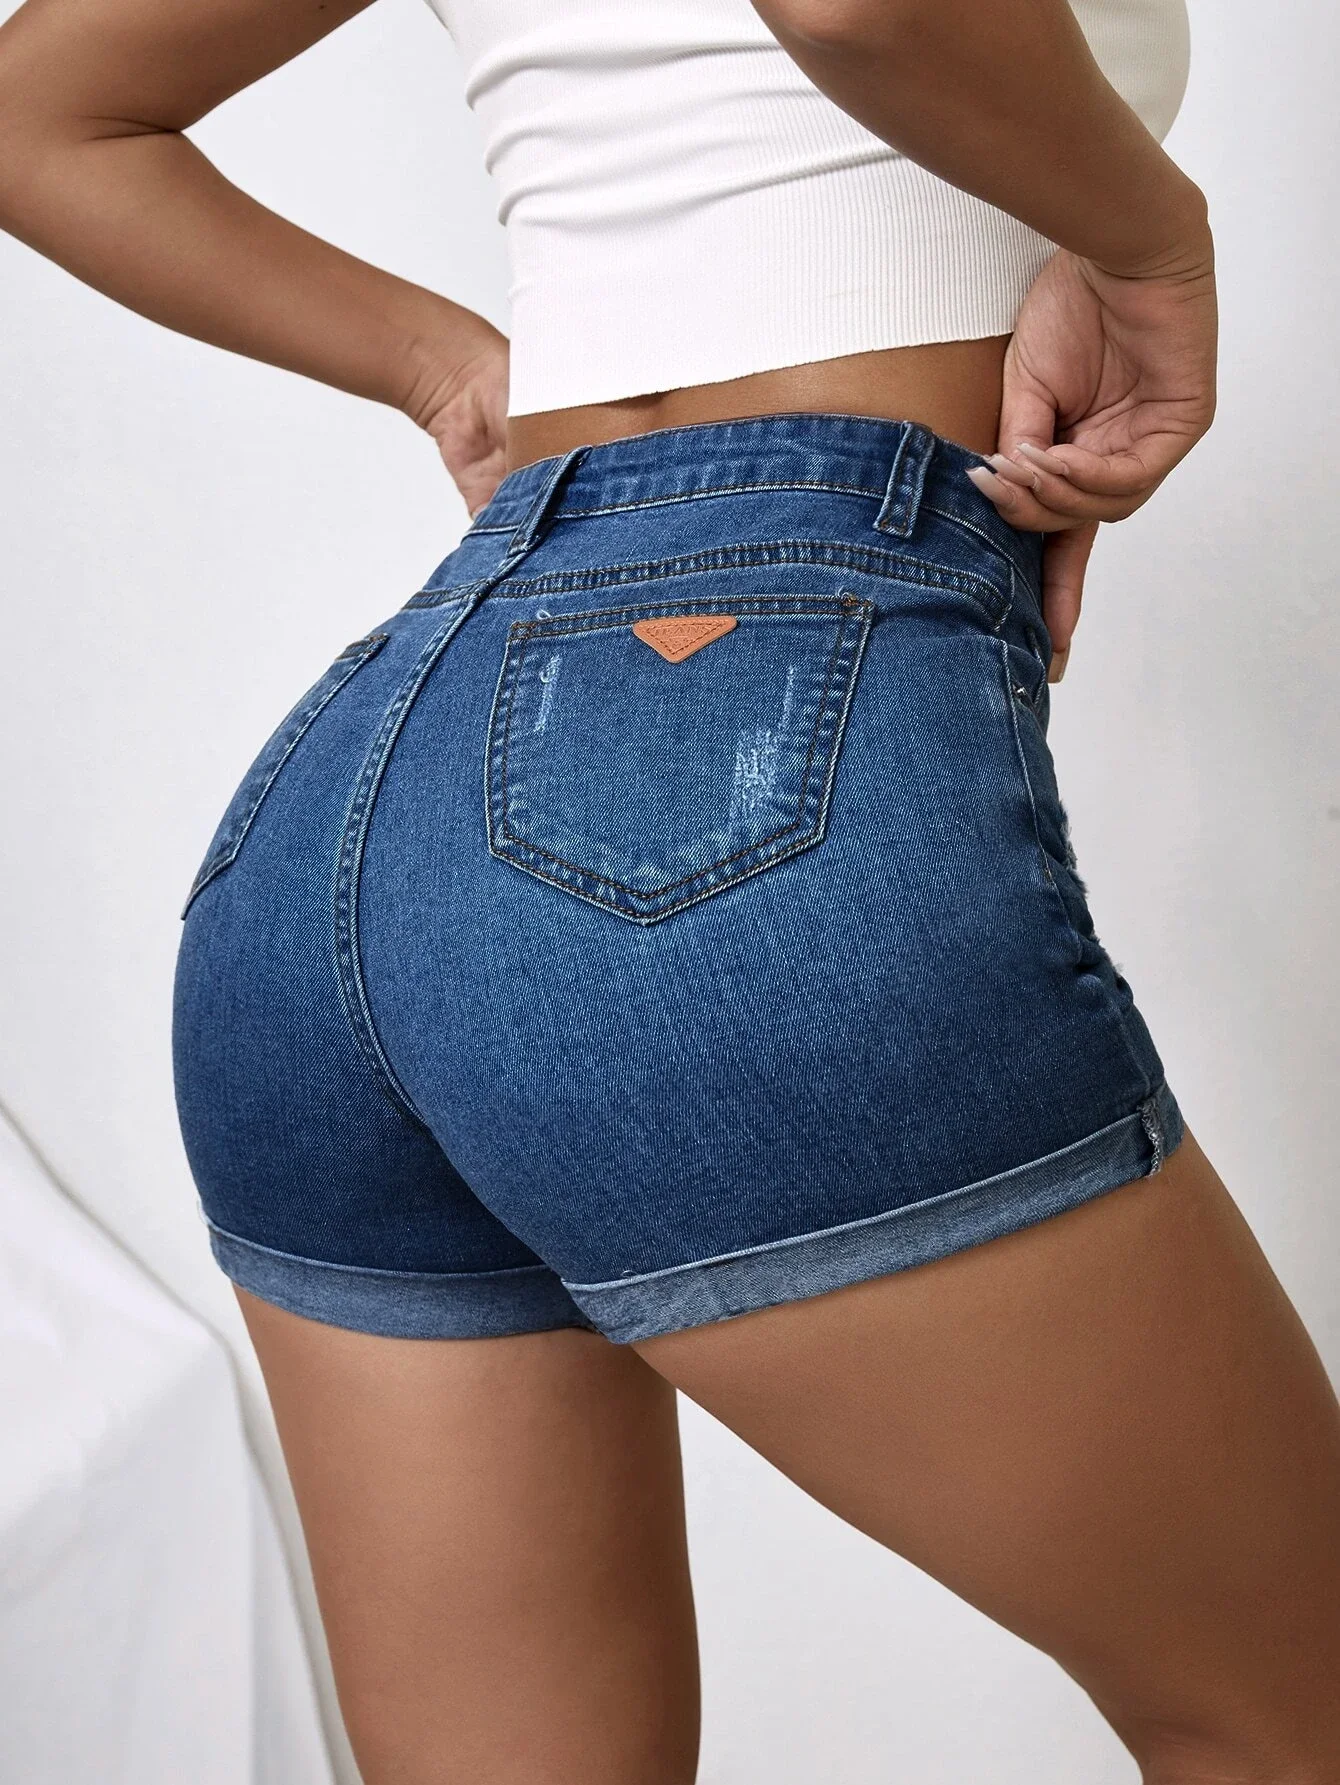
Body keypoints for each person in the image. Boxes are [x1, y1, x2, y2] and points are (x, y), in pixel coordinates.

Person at [2, 0, 1338, 1779]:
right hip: (717, 776)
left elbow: (39, 111)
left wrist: (443, 369)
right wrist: (1151, 241)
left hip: (348, 805)